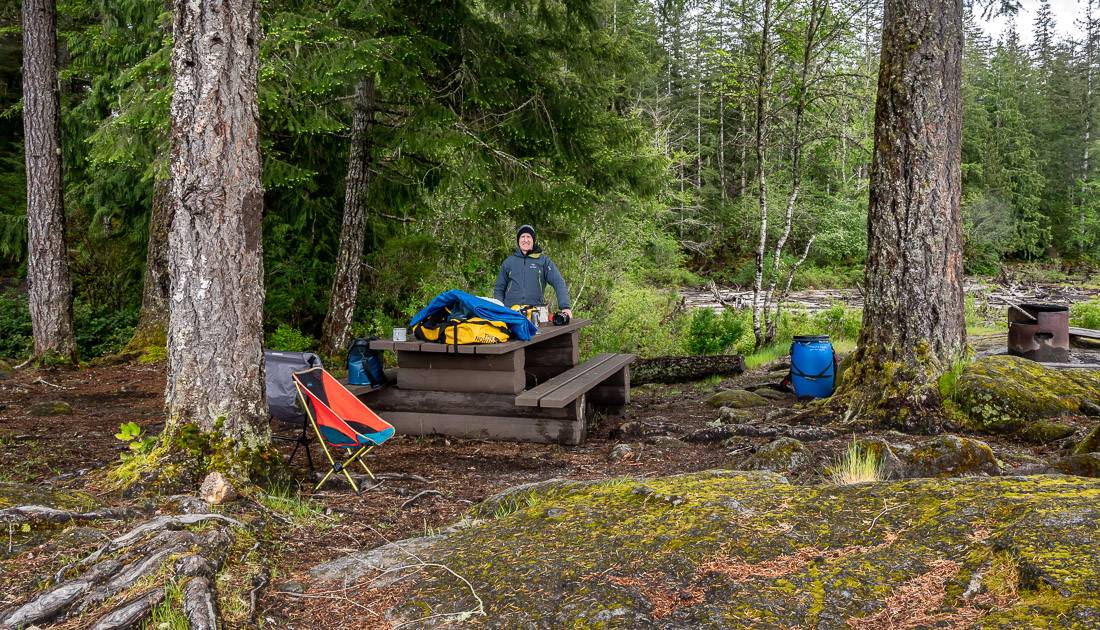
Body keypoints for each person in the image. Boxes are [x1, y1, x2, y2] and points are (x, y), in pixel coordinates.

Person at [493, 224, 573, 320]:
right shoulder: (509, 262)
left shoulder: (543, 261)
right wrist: (499, 308)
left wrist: (565, 307)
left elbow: (558, 282)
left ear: (533, 240)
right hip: (510, 313)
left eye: (528, 237)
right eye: (522, 237)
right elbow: (499, 288)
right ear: (518, 240)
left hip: (535, 313)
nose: (525, 240)